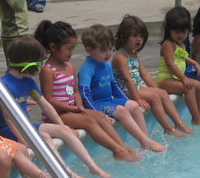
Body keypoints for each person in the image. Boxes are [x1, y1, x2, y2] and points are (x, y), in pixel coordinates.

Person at [0, 35, 108, 178]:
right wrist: (24, 140)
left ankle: (93, 167)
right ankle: (69, 176)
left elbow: (45, 105)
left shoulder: (27, 81)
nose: (39, 69)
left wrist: (62, 126)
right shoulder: (4, 85)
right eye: (38, 65)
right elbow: (8, 119)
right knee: (45, 137)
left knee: (65, 131)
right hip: (10, 130)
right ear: (28, 64)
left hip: (27, 126)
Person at [34, 19, 141, 162]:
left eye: (73, 48)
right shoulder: (48, 71)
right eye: (69, 48)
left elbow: (76, 91)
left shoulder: (69, 67)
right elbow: (48, 100)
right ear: (53, 47)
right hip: (57, 115)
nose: (72, 52)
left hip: (72, 109)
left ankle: (122, 148)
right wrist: (71, 108)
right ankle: (116, 150)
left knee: (100, 116)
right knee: (89, 122)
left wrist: (78, 105)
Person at [78, 24, 167, 152]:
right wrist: (97, 113)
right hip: (96, 104)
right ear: (89, 49)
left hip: (109, 100)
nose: (108, 53)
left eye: (110, 49)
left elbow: (114, 86)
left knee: (134, 106)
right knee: (122, 111)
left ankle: (144, 142)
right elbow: (84, 94)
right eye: (103, 50)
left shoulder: (106, 65)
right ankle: (145, 141)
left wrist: (127, 101)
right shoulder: (87, 68)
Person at [112, 14, 194, 137]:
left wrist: (158, 90)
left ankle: (179, 123)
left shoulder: (134, 55)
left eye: (141, 36)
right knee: (155, 98)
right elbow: (128, 80)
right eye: (134, 36)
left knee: (162, 94)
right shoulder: (120, 57)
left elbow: (146, 77)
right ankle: (168, 128)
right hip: (125, 91)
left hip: (137, 87)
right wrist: (138, 99)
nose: (139, 39)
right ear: (124, 36)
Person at [155, 7, 200, 125]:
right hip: (164, 80)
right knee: (188, 88)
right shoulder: (168, 44)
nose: (181, 35)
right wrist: (184, 78)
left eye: (184, 32)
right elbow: (170, 64)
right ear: (169, 30)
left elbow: (185, 58)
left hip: (175, 79)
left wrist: (195, 64)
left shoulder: (181, 45)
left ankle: (198, 114)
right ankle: (195, 118)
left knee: (198, 85)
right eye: (177, 32)